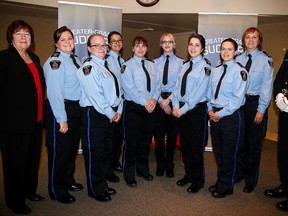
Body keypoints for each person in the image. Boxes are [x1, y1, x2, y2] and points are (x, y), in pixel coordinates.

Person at [0, 20, 45, 214]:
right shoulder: (3, 59)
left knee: (32, 160)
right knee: (15, 165)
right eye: (19, 33)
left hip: (35, 120)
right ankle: (14, 201)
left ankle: (29, 191)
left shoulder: (34, 58)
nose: (24, 37)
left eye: (27, 33)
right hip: (14, 124)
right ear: (11, 38)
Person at [77, 33, 123, 202]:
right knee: (95, 153)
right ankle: (95, 189)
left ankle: (101, 183)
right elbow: (96, 96)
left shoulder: (106, 65)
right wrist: (112, 113)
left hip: (108, 114)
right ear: (89, 49)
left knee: (105, 152)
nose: (101, 48)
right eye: (97, 45)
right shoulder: (87, 68)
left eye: (103, 45)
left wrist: (117, 111)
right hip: (95, 115)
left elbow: (115, 91)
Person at [44, 26, 83, 204]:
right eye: (63, 39)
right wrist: (62, 118)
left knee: (70, 150)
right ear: (56, 43)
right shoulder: (56, 62)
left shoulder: (75, 59)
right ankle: (56, 189)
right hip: (61, 109)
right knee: (59, 152)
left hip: (75, 109)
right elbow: (54, 93)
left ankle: (67, 180)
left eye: (70, 38)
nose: (67, 42)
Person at [207, 38, 248, 198]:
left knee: (228, 153)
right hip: (215, 114)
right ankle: (221, 181)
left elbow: (237, 100)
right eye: (223, 49)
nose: (225, 52)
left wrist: (219, 114)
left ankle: (227, 186)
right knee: (218, 151)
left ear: (236, 52)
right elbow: (210, 92)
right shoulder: (216, 70)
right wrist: (210, 110)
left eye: (229, 49)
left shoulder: (240, 72)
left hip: (230, 116)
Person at [235, 27, 274, 193]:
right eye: (248, 37)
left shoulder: (266, 60)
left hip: (255, 104)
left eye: (254, 37)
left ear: (259, 41)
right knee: (240, 142)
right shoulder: (237, 59)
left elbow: (267, 87)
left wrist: (261, 109)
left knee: (254, 145)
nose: (251, 40)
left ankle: (251, 179)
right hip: (240, 104)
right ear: (244, 40)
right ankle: (241, 172)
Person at [172, 33, 211, 193]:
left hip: (195, 111)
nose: (193, 48)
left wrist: (181, 110)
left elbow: (198, 94)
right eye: (191, 44)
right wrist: (175, 105)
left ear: (202, 49)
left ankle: (198, 179)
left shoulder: (205, 68)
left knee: (196, 147)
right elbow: (176, 88)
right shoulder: (184, 65)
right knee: (186, 146)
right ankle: (189, 174)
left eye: (197, 45)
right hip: (181, 110)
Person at [121, 36, 161, 187]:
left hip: (150, 108)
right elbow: (129, 89)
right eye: (137, 45)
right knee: (131, 142)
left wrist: (154, 100)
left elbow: (157, 86)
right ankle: (129, 173)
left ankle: (142, 170)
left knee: (145, 142)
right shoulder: (127, 66)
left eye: (143, 46)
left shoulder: (152, 65)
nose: (140, 48)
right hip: (134, 109)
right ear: (132, 48)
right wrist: (146, 102)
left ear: (147, 48)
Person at [153, 33, 183, 178]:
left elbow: (180, 86)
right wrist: (160, 101)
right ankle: (160, 165)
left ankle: (169, 165)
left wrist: (169, 100)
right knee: (158, 137)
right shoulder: (154, 63)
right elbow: (153, 85)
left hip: (174, 101)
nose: (167, 44)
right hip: (158, 102)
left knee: (171, 137)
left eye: (170, 42)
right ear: (161, 44)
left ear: (174, 44)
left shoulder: (181, 63)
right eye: (164, 42)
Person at [264, 50, 288, 212]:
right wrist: (279, 95)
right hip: (286, 111)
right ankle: (286, 185)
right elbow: (279, 79)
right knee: (284, 153)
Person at [105, 31, 125, 183]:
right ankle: (107, 170)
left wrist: (120, 110)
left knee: (118, 139)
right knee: (109, 141)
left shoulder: (122, 61)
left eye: (119, 40)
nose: (117, 43)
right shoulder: (106, 60)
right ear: (109, 44)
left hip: (121, 106)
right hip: (110, 108)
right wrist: (112, 111)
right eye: (114, 41)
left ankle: (114, 162)